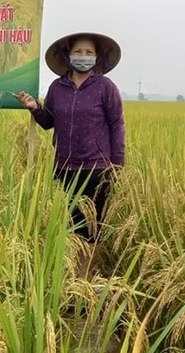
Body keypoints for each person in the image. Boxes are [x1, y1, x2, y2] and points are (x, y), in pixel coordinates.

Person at [15, 32, 125, 243]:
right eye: (78, 51)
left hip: (96, 169)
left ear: (97, 56)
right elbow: (48, 122)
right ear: (68, 55)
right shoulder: (57, 88)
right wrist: (34, 107)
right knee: (70, 226)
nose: (83, 56)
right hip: (64, 168)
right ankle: (70, 262)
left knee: (94, 228)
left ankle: (90, 262)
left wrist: (117, 166)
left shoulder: (105, 87)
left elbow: (117, 125)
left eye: (89, 52)